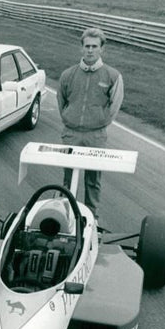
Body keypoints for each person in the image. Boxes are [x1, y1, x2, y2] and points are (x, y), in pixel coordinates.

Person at [57, 28, 124, 217]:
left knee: (93, 179)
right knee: (68, 178)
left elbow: (114, 106)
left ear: (102, 49)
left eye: (95, 46)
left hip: (96, 135)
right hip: (71, 133)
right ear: (81, 48)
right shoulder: (68, 74)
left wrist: (100, 122)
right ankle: (65, 215)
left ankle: (91, 217)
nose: (90, 50)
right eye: (87, 46)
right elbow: (61, 101)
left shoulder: (113, 76)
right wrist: (69, 118)